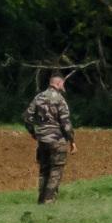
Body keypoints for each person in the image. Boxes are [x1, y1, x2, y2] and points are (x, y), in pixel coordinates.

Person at [21, 70, 74, 203]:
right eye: (63, 83)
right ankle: (49, 202)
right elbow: (66, 123)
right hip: (57, 140)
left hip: (42, 140)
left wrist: (34, 133)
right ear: (59, 83)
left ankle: (41, 200)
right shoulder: (60, 100)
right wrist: (72, 140)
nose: (63, 86)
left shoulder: (38, 97)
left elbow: (27, 117)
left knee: (44, 170)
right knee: (56, 170)